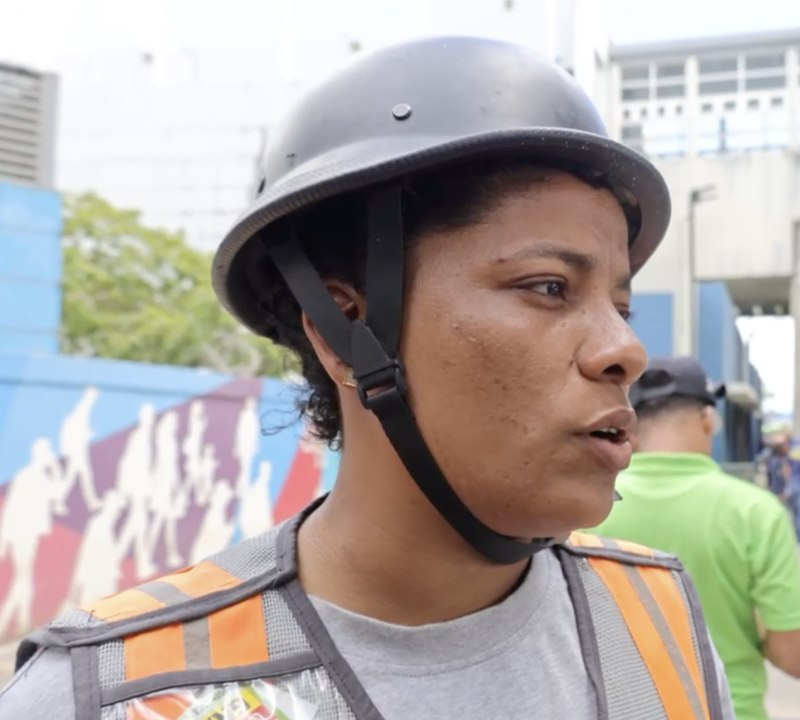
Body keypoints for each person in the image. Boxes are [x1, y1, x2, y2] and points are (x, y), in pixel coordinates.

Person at [1, 37, 735, 720]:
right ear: (346, 333)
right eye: (548, 287)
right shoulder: (124, 691)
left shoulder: (656, 614)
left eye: (621, 304)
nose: (624, 351)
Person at [589, 356, 800, 720]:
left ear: (631, 426)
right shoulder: (756, 512)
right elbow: (796, 658)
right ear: (708, 420)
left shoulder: (587, 509)